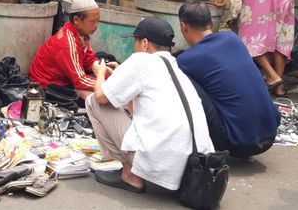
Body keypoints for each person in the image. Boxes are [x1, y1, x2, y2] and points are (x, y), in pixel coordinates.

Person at [87, 18, 213, 193]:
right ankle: (139, 168)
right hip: (194, 165)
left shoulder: (140, 60)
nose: (134, 47)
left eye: (135, 42)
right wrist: (121, 74)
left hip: (165, 162)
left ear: (145, 43)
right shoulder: (174, 66)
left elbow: (101, 97)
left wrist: (100, 73)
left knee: (93, 101)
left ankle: (130, 174)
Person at [177, 0, 279, 157]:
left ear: (183, 27)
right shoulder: (233, 39)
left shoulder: (186, 61)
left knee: (180, 78)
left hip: (237, 144)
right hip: (270, 135)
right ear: (211, 22)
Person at [28, 0, 117, 99]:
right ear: (76, 20)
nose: (96, 25)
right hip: (46, 85)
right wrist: (109, 85)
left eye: (98, 21)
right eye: (92, 21)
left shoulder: (80, 33)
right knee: (98, 94)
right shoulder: (67, 44)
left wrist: (105, 71)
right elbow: (79, 80)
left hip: (64, 78)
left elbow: (89, 59)